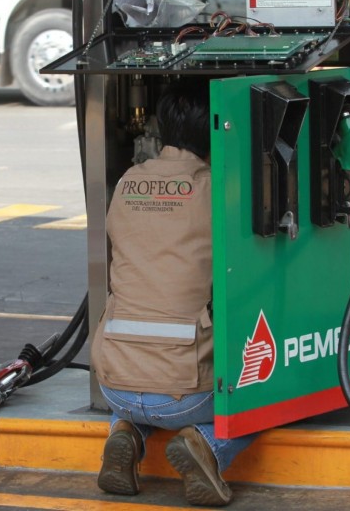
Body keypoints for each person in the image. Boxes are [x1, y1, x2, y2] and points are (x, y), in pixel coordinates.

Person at [90, 79, 257, 507]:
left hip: (114, 384)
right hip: (188, 395)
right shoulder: (219, 189)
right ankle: (207, 444)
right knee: (265, 379)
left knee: (140, 380)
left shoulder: (128, 182)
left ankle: (125, 432)